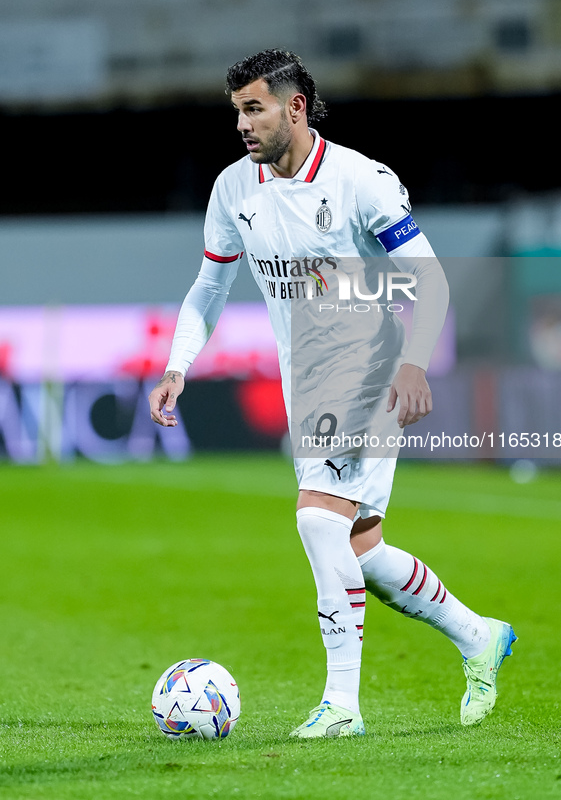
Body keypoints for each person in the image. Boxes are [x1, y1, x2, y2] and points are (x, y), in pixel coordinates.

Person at [148, 49, 516, 738]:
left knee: (317, 519)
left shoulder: (360, 180)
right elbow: (210, 284)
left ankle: (341, 705)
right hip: (307, 376)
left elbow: (428, 278)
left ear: (293, 107)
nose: (242, 124)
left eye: (253, 108)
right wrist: (178, 364)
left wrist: (413, 363)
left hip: (366, 366)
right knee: (362, 550)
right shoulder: (235, 189)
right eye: (236, 111)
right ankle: (478, 635)